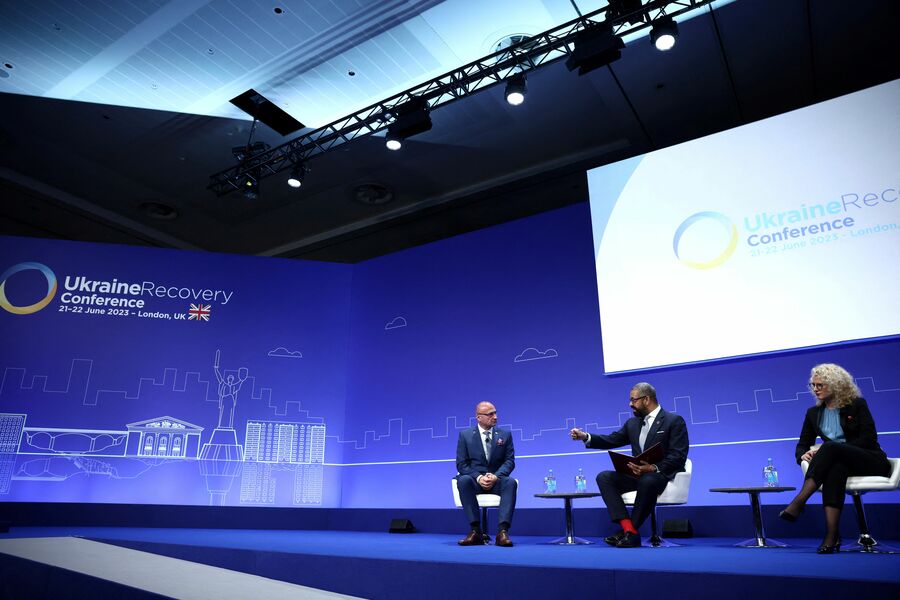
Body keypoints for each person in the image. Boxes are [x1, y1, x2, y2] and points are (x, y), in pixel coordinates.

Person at [779, 363, 891, 553]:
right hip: (841, 464)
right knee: (835, 468)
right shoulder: (813, 413)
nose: (815, 389)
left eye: (820, 385)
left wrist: (835, 449)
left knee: (830, 448)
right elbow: (802, 444)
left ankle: (798, 502)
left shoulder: (857, 405)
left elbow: (868, 439)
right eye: (813, 385)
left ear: (836, 384)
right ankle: (832, 537)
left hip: (870, 460)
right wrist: (803, 455)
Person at [570, 382, 688, 548]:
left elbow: (678, 455)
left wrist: (653, 467)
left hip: (660, 475)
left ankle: (628, 533)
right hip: (637, 475)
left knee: (648, 480)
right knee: (604, 477)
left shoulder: (673, 421)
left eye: (633, 400)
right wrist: (586, 437)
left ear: (646, 399)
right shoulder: (632, 423)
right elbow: (612, 440)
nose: (630, 404)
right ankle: (629, 529)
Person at [455, 401, 517, 547]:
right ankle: (475, 531)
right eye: (490, 414)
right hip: (475, 481)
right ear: (479, 417)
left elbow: (509, 461)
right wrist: (479, 477)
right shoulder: (465, 435)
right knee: (463, 480)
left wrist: (496, 476)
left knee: (510, 482)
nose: (495, 417)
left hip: (497, 481)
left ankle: (502, 532)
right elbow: (462, 464)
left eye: (495, 413)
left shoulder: (505, 435)